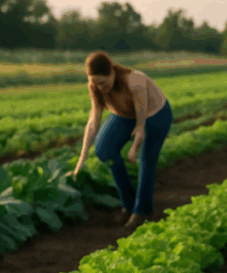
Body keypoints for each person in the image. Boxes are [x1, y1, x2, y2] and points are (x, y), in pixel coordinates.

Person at [72, 51, 173, 229]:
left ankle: (142, 211)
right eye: (95, 84)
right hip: (124, 114)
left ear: (112, 72)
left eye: (103, 83)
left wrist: (134, 149)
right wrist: (82, 157)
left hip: (154, 115)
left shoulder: (135, 81)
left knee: (146, 160)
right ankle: (129, 203)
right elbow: (93, 121)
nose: (99, 88)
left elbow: (140, 127)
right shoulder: (95, 86)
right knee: (104, 150)